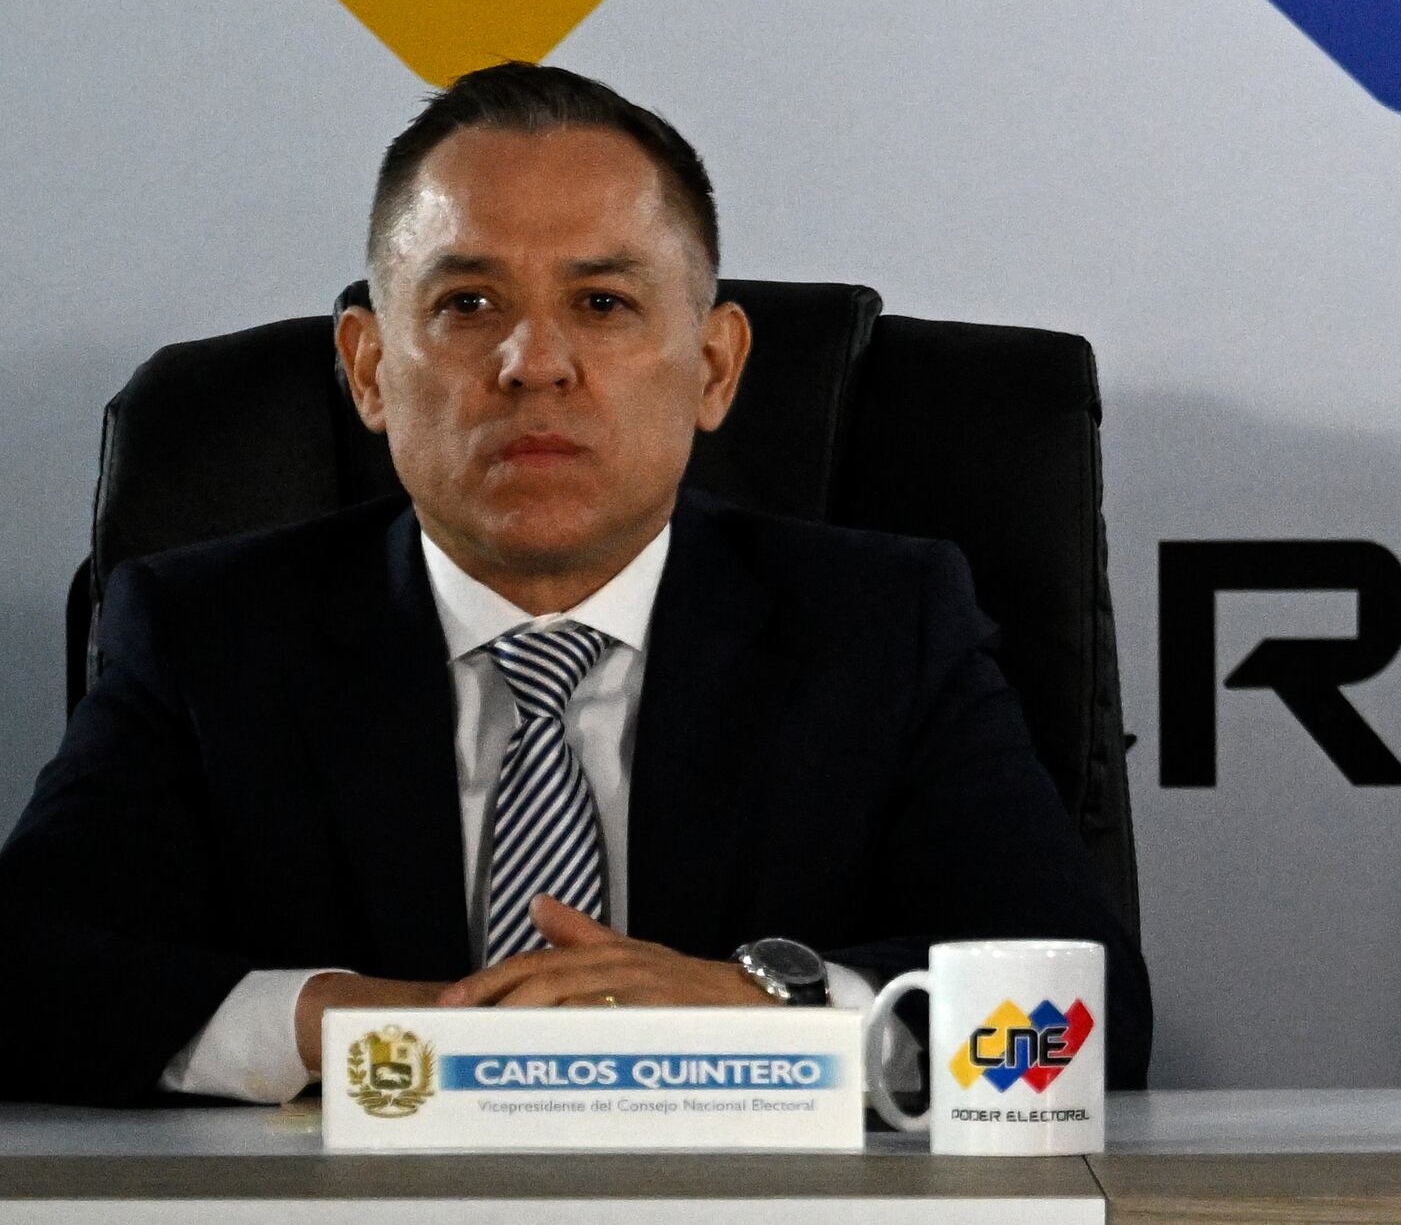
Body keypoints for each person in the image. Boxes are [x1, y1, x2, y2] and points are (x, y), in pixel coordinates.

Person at [0, 64, 1149, 1104]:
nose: (532, 364)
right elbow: (23, 978)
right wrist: (338, 1023)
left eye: (601, 304)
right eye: (466, 305)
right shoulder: (210, 637)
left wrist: (763, 1014)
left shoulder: (882, 628)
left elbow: (1088, 1010)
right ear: (366, 370)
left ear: (713, 366)